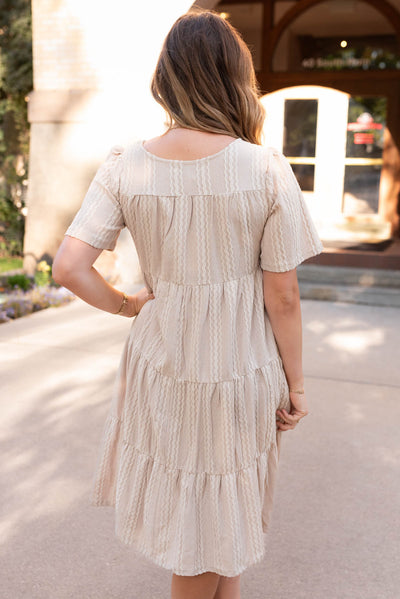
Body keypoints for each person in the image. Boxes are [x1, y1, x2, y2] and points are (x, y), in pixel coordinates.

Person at [52, 9, 324, 599]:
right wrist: (296, 385)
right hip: (239, 365)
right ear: (235, 78)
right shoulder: (265, 170)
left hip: (166, 362)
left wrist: (129, 306)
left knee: (216, 525)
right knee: (210, 529)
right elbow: (283, 295)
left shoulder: (127, 163)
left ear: (168, 77)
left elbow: (69, 267)